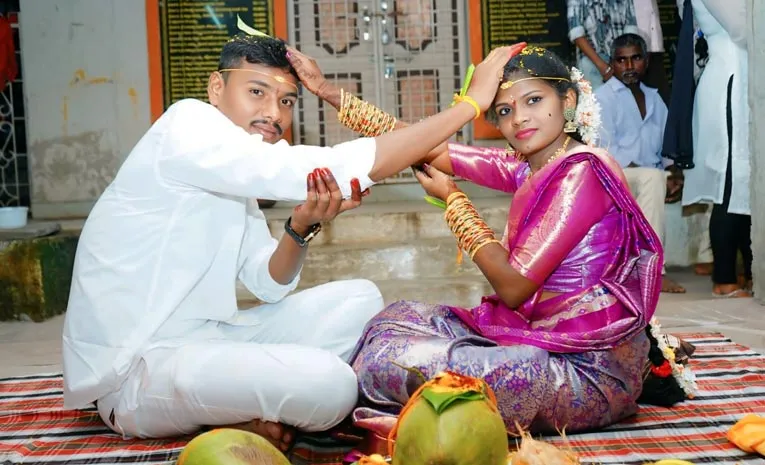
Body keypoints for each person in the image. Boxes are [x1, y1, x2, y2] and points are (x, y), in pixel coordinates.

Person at [61, 32, 521, 450]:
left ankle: (246, 410)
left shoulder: (231, 172)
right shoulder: (187, 126)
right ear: (216, 89)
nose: (273, 114)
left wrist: (300, 228)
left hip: (210, 339)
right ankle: (243, 411)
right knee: (333, 387)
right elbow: (326, 167)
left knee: (360, 298)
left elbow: (267, 282)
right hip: (137, 370)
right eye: (257, 92)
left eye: (286, 101)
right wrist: (469, 106)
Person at [298, 45, 668, 440]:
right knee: (396, 318)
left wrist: (454, 202)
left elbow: (512, 286)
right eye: (505, 110)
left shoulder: (583, 172)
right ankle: (411, 412)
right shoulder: (533, 164)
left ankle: (398, 417)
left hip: (585, 373)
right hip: (542, 342)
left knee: (386, 362)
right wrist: (329, 92)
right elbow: (424, 144)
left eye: (534, 100)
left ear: (569, 100)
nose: (520, 118)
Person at [596, 33, 685, 294]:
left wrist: (672, 170)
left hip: (650, 174)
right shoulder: (604, 97)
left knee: (656, 178)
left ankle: (646, 270)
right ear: (612, 63)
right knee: (652, 178)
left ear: (646, 61)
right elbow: (603, 148)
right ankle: (654, 272)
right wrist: (651, 172)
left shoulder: (655, 98)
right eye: (622, 60)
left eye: (635, 58)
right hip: (615, 177)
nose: (629, 66)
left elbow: (666, 143)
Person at [680, 0, 752, 297]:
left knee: (748, 186)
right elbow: (744, 30)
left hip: (743, 81)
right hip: (729, 85)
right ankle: (724, 277)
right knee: (731, 184)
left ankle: (750, 273)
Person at [567, 0, 639, 91]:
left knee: (624, 102)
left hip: (621, 61)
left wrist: (622, 64)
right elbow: (576, 34)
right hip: (592, 62)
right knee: (597, 103)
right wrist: (604, 68)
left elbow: (631, 30)